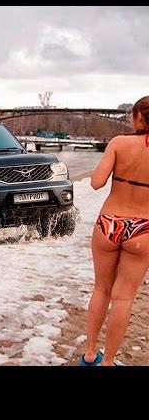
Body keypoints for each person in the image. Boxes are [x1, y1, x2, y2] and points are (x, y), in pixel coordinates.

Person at [81, 96, 149, 366]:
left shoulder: (119, 143)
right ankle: (108, 362)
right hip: (143, 229)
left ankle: (89, 353)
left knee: (101, 289)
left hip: (110, 222)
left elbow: (96, 182)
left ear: (137, 117)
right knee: (124, 298)